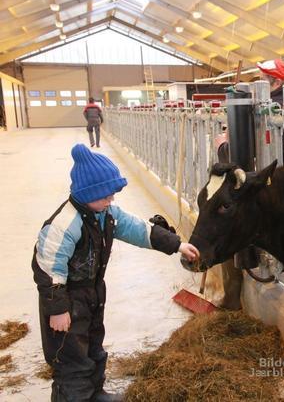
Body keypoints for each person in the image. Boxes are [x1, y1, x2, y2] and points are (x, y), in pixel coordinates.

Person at [32, 144, 199, 402]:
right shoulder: (64, 224)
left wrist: (177, 244)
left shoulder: (104, 213)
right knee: (71, 358)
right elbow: (47, 267)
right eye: (106, 195)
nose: (111, 200)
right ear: (88, 193)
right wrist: (57, 309)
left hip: (92, 294)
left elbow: (137, 229)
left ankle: (95, 393)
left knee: (94, 347)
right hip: (68, 300)